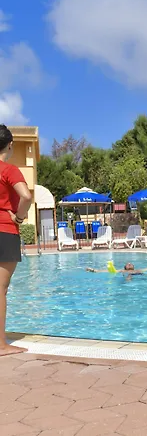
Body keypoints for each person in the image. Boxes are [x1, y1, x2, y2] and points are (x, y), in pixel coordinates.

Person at [0, 125, 32, 356]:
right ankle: (1, 345)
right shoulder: (9, 170)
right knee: (0, 288)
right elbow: (26, 196)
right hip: (5, 230)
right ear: (10, 145)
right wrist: (19, 217)